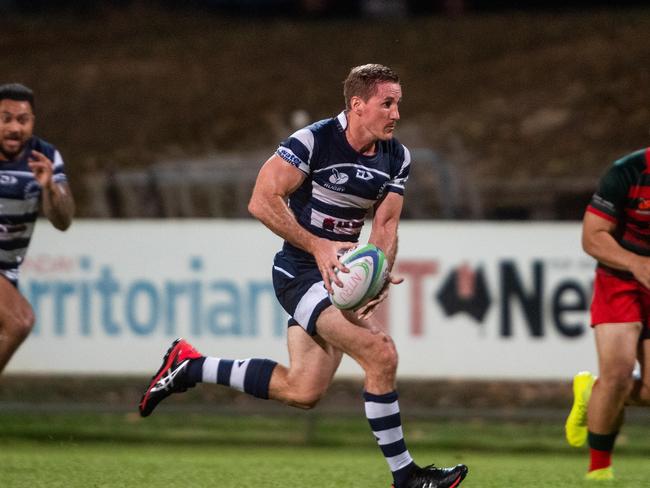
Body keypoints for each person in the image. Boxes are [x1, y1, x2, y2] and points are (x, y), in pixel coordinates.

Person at [139, 64, 468, 488]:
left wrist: (380, 273)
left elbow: (385, 227)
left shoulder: (397, 157)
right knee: (380, 352)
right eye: (387, 103)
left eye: (398, 103)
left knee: (303, 390)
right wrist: (317, 245)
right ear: (357, 105)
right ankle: (406, 476)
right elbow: (261, 200)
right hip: (298, 273)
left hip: (338, 278)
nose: (396, 113)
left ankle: (189, 366)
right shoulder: (313, 141)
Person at [565, 147, 650, 480]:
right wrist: (637, 264)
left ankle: (591, 391)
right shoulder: (628, 173)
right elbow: (592, 236)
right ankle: (599, 470)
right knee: (618, 371)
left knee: (625, 388)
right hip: (621, 278)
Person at [0, 83, 75, 374]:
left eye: (23, 119)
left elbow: (63, 221)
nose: (14, 128)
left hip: (9, 271)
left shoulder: (44, 156)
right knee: (20, 320)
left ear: (33, 121)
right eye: (6, 118)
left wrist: (51, 190)